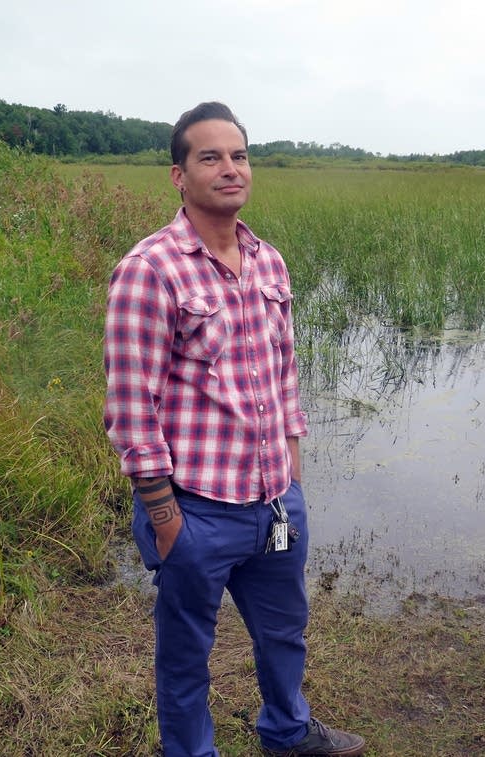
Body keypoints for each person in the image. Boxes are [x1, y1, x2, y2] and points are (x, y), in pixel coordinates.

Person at [103, 102, 366, 757]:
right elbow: (132, 407)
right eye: (210, 157)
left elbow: (285, 377)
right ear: (178, 174)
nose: (229, 169)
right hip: (196, 510)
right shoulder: (151, 268)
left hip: (275, 503)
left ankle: (288, 728)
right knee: (187, 651)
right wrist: (167, 520)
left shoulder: (269, 262)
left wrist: (293, 479)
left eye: (239, 155)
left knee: (286, 631)